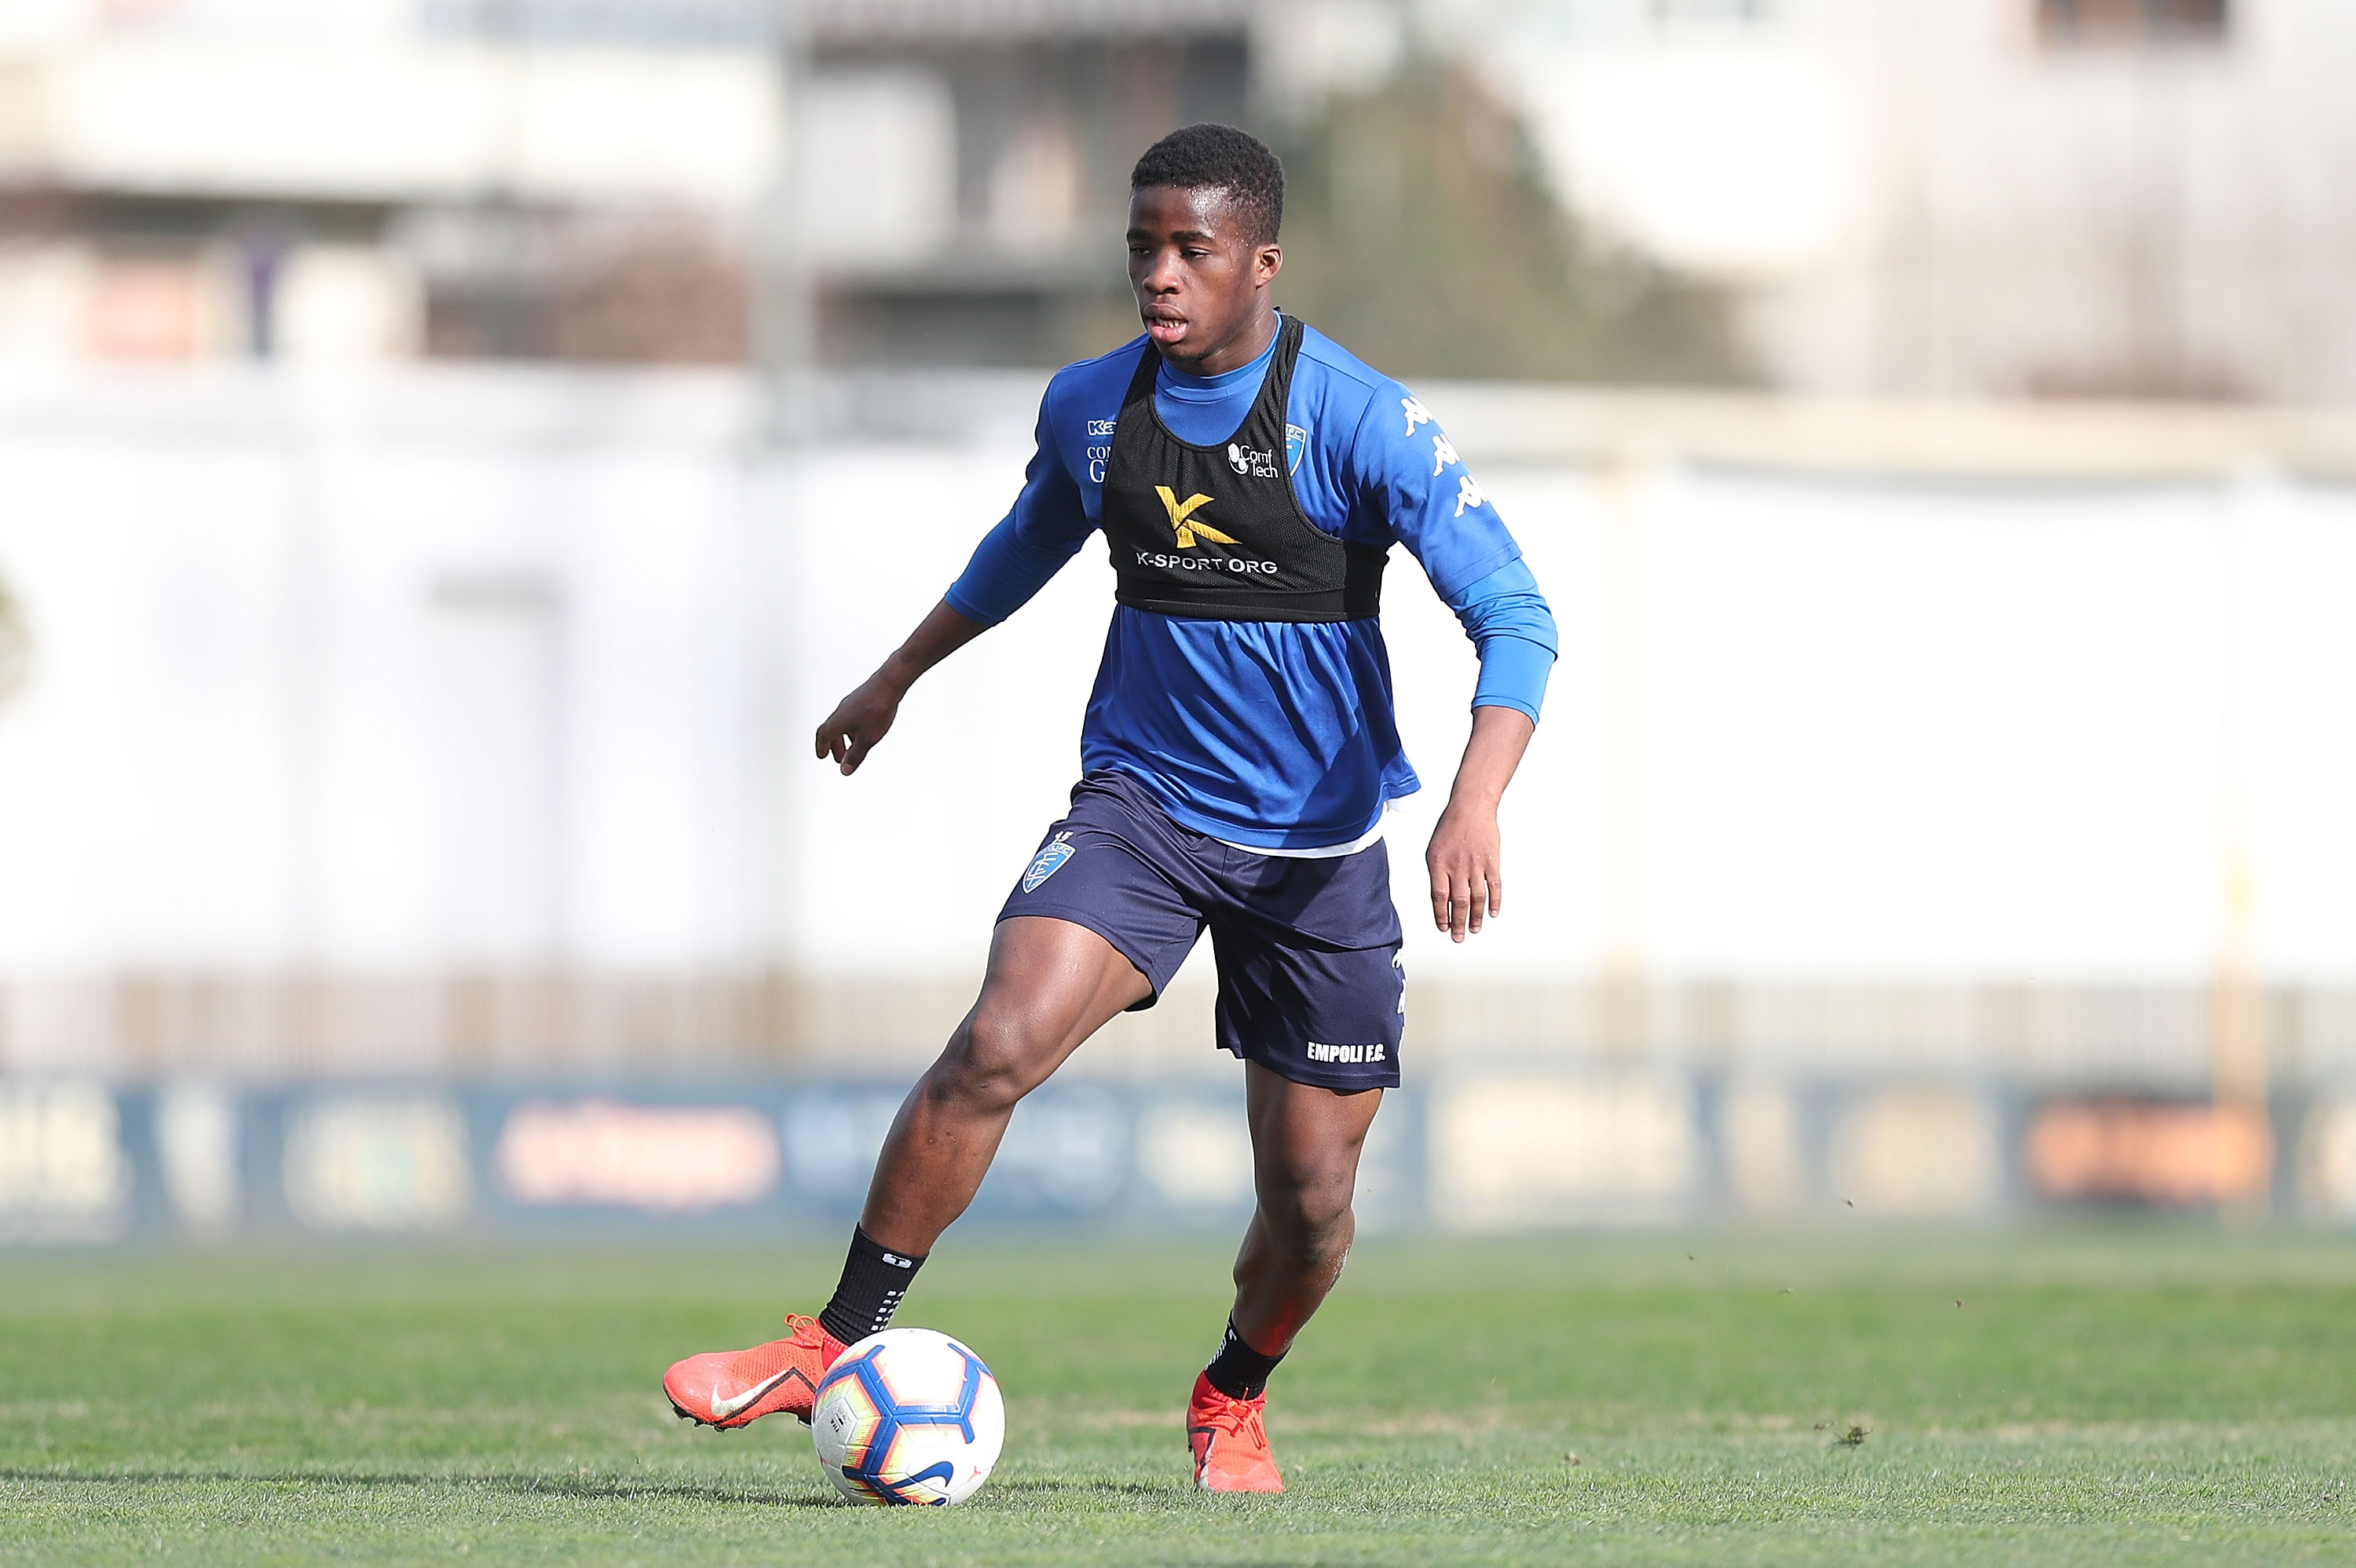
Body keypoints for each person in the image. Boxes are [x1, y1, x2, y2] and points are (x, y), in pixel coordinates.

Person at [663, 122, 1555, 1495]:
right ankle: (829, 1344)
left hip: (1316, 858)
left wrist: (1472, 802)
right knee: (997, 1038)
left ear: (1262, 261)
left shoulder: (1360, 418)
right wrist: (897, 674)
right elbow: (1026, 540)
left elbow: (1516, 616)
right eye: (1142, 245)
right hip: (1143, 809)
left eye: (1191, 249)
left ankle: (1232, 1392)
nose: (1159, 272)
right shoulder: (1094, 408)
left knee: (1312, 1206)